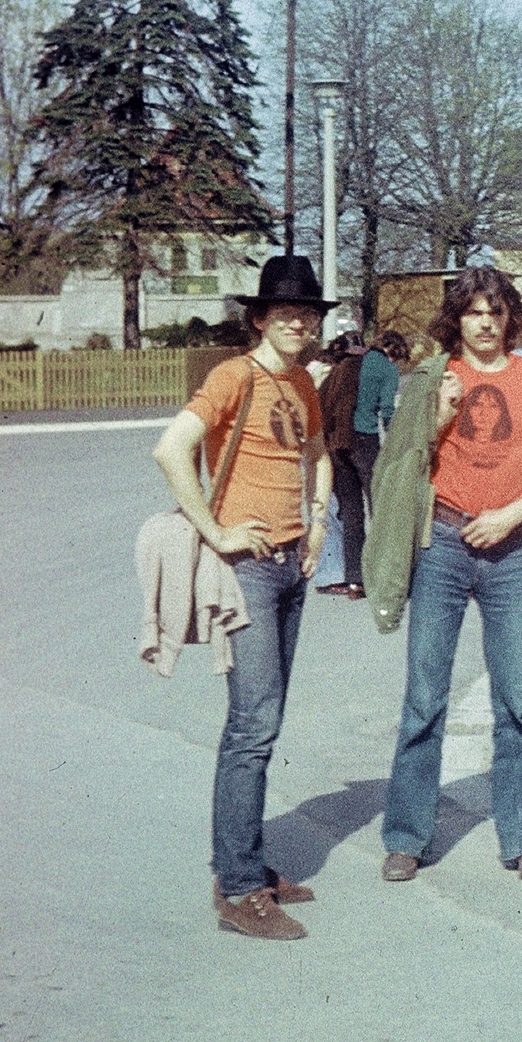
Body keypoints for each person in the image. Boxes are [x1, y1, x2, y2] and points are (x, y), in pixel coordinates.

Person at [152, 255, 333, 941]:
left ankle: (246, 862)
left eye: (308, 312)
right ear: (257, 318)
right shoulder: (233, 376)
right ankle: (238, 887)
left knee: (265, 720)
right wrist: (216, 531)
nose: (298, 321)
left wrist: (318, 526)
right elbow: (171, 450)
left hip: (289, 564)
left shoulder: (301, 384)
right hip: (249, 569)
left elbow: (315, 453)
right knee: (252, 726)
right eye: (284, 311)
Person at [379, 265, 522, 883]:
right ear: (455, 320)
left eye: (495, 310)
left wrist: (514, 514)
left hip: (509, 549)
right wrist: (437, 416)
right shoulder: (433, 376)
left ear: (510, 316)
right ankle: (407, 836)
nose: (485, 322)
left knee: (515, 697)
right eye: (472, 312)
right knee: (425, 695)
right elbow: (400, 463)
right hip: (443, 543)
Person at [330, 329, 410, 599]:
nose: (397, 363)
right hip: (364, 441)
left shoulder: (350, 362)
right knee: (382, 510)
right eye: (398, 357)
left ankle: (356, 581)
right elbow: (387, 411)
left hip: (337, 444)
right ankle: (385, 576)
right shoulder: (387, 370)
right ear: (392, 350)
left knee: (351, 514)